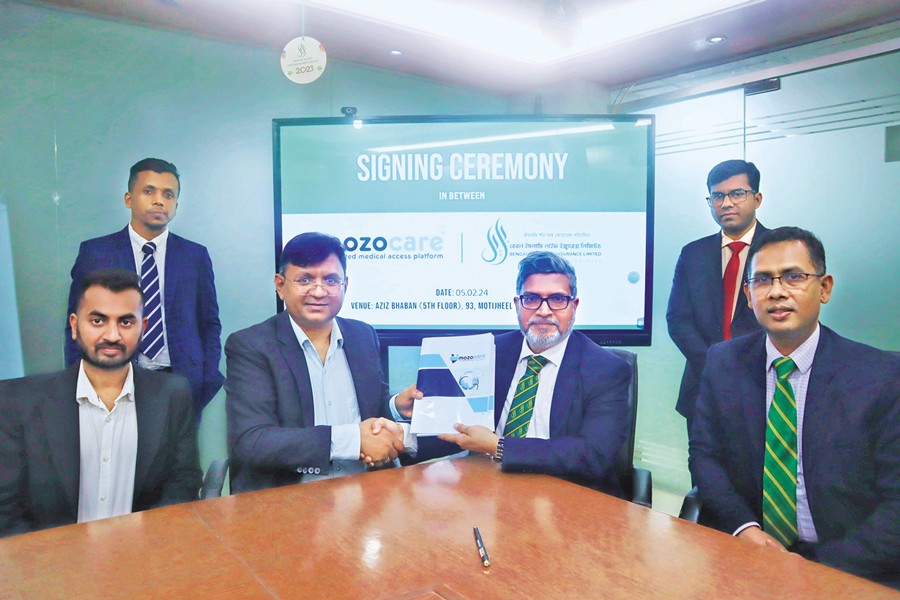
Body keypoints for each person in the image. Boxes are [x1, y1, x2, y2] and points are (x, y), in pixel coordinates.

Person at [689, 227, 899, 588]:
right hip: (749, 553)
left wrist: (812, 567)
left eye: (794, 277)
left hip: (845, 565)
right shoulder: (724, 362)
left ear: (825, 288)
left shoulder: (880, 376)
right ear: (748, 295)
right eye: (762, 280)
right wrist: (745, 529)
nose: (777, 292)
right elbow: (705, 456)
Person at [398, 251, 632, 496]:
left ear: (574, 306)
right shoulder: (489, 351)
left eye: (557, 299)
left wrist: (500, 446)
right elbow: (458, 425)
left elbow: (593, 454)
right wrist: (402, 438)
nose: (544, 311)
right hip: (486, 489)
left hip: (565, 495)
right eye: (531, 298)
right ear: (517, 304)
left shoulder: (606, 369)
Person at [0, 269, 201, 537]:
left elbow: (183, 483)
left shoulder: (173, 394)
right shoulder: (19, 401)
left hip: (142, 552)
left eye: (126, 322)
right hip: (52, 557)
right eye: (98, 321)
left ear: (143, 328)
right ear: (74, 326)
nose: (112, 335)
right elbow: (7, 509)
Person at [225, 232, 418, 494]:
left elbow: (369, 410)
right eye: (305, 279)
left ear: (345, 285)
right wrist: (354, 440)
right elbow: (253, 441)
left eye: (330, 280)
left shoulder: (362, 335)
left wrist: (395, 407)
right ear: (280, 285)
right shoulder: (251, 345)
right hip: (290, 498)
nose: (318, 291)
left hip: (366, 493)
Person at [65, 158, 224, 421]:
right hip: (113, 379)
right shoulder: (96, 253)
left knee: (176, 449)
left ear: (176, 205)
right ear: (129, 199)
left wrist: (205, 378)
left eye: (168, 194)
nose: (159, 201)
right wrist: (78, 381)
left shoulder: (194, 255)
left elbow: (209, 323)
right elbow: (75, 324)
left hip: (182, 382)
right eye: (149, 191)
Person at [667, 159, 769, 434]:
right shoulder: (693, 254)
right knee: (703, 458)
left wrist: (742, 368)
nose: (726, 203)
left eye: (737, 194)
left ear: (757, 198)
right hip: (703, 386)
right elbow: (678, 320)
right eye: (718, 196)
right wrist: (714, 366)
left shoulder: (778, 248)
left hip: (763, 382)